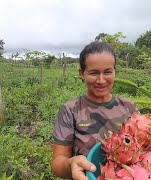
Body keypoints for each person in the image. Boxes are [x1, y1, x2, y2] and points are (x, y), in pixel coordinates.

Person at [51, 41, 137, 180]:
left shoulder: (128, 107)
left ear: (115, 71)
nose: (101, 80)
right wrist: (71, 164)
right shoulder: (71, 110)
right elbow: (57, 163)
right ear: (82, 73)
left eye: (107, 72)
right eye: (94, 73)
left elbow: (145, 147)